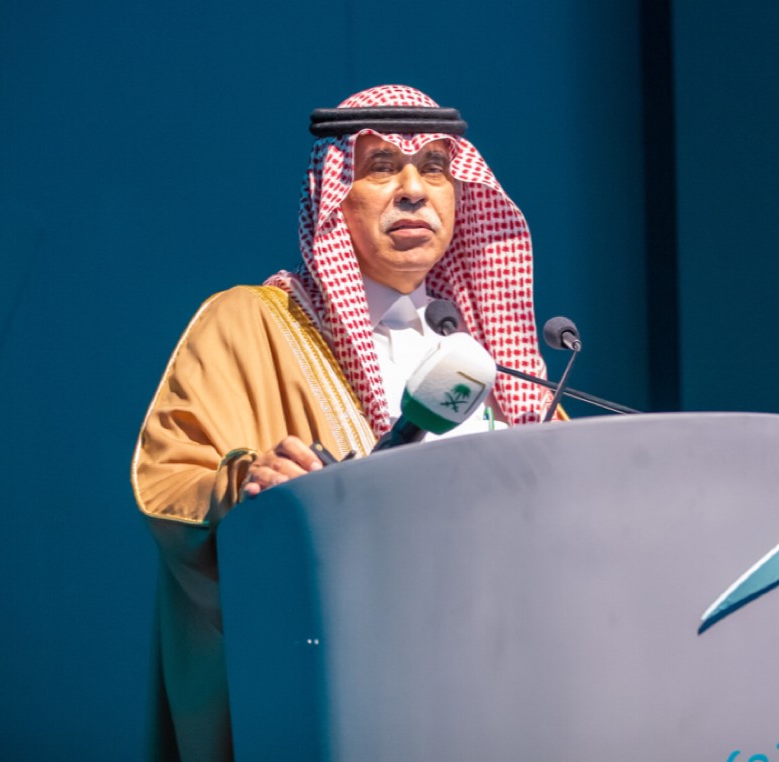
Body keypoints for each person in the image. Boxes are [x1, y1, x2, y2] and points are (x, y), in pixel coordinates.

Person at [131, 84, 555, 760]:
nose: (413, 190)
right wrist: (249, 488)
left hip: (500, 686)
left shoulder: (497, 360)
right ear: (333, 196)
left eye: (435, 169)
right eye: (382, 167)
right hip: (345, 690)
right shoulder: (249, 325)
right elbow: (167, 482)